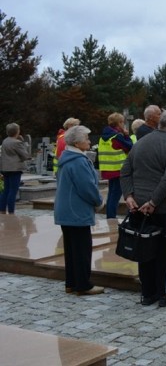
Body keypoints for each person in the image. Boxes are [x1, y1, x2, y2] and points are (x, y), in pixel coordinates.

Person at [120, 107, 166, 307]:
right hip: (164, 208)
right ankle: (165, 293)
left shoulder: (140, 143)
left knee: (145, 250)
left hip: (138, 206)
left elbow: (125, 171)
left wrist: (129, 196)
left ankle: (147, 293)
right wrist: (153, 202)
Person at [54, 125, 104, 295]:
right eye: (86, 138)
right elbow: (87, 187)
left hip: (66, 210)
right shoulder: (78, 161)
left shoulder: (66, 157)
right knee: (82, 249)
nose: (89, 141)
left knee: (71, 249)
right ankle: (83, 285)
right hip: (77, 211)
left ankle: (71, 282)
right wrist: (98, 202)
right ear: (77, 142)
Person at [98, 112, 133, 219]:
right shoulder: (117, 136)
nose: (124, 124)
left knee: (111, 195)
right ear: (119, 123)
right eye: (123, 122)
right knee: (115, 196)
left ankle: (110, 216)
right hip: (118, 170)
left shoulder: (103, 137)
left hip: (108, 169)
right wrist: (126, 135)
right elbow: (131, 147)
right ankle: (111, 218)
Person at [1, 123, 31, 214]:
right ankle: (11, 211)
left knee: (6, 190)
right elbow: (26, 155)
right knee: (13, 191)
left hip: (5, 168)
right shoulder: (17, 142)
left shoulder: (5, 141)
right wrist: (24, 144)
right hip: (15, 169)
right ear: (17, 132)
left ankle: (2, 209)